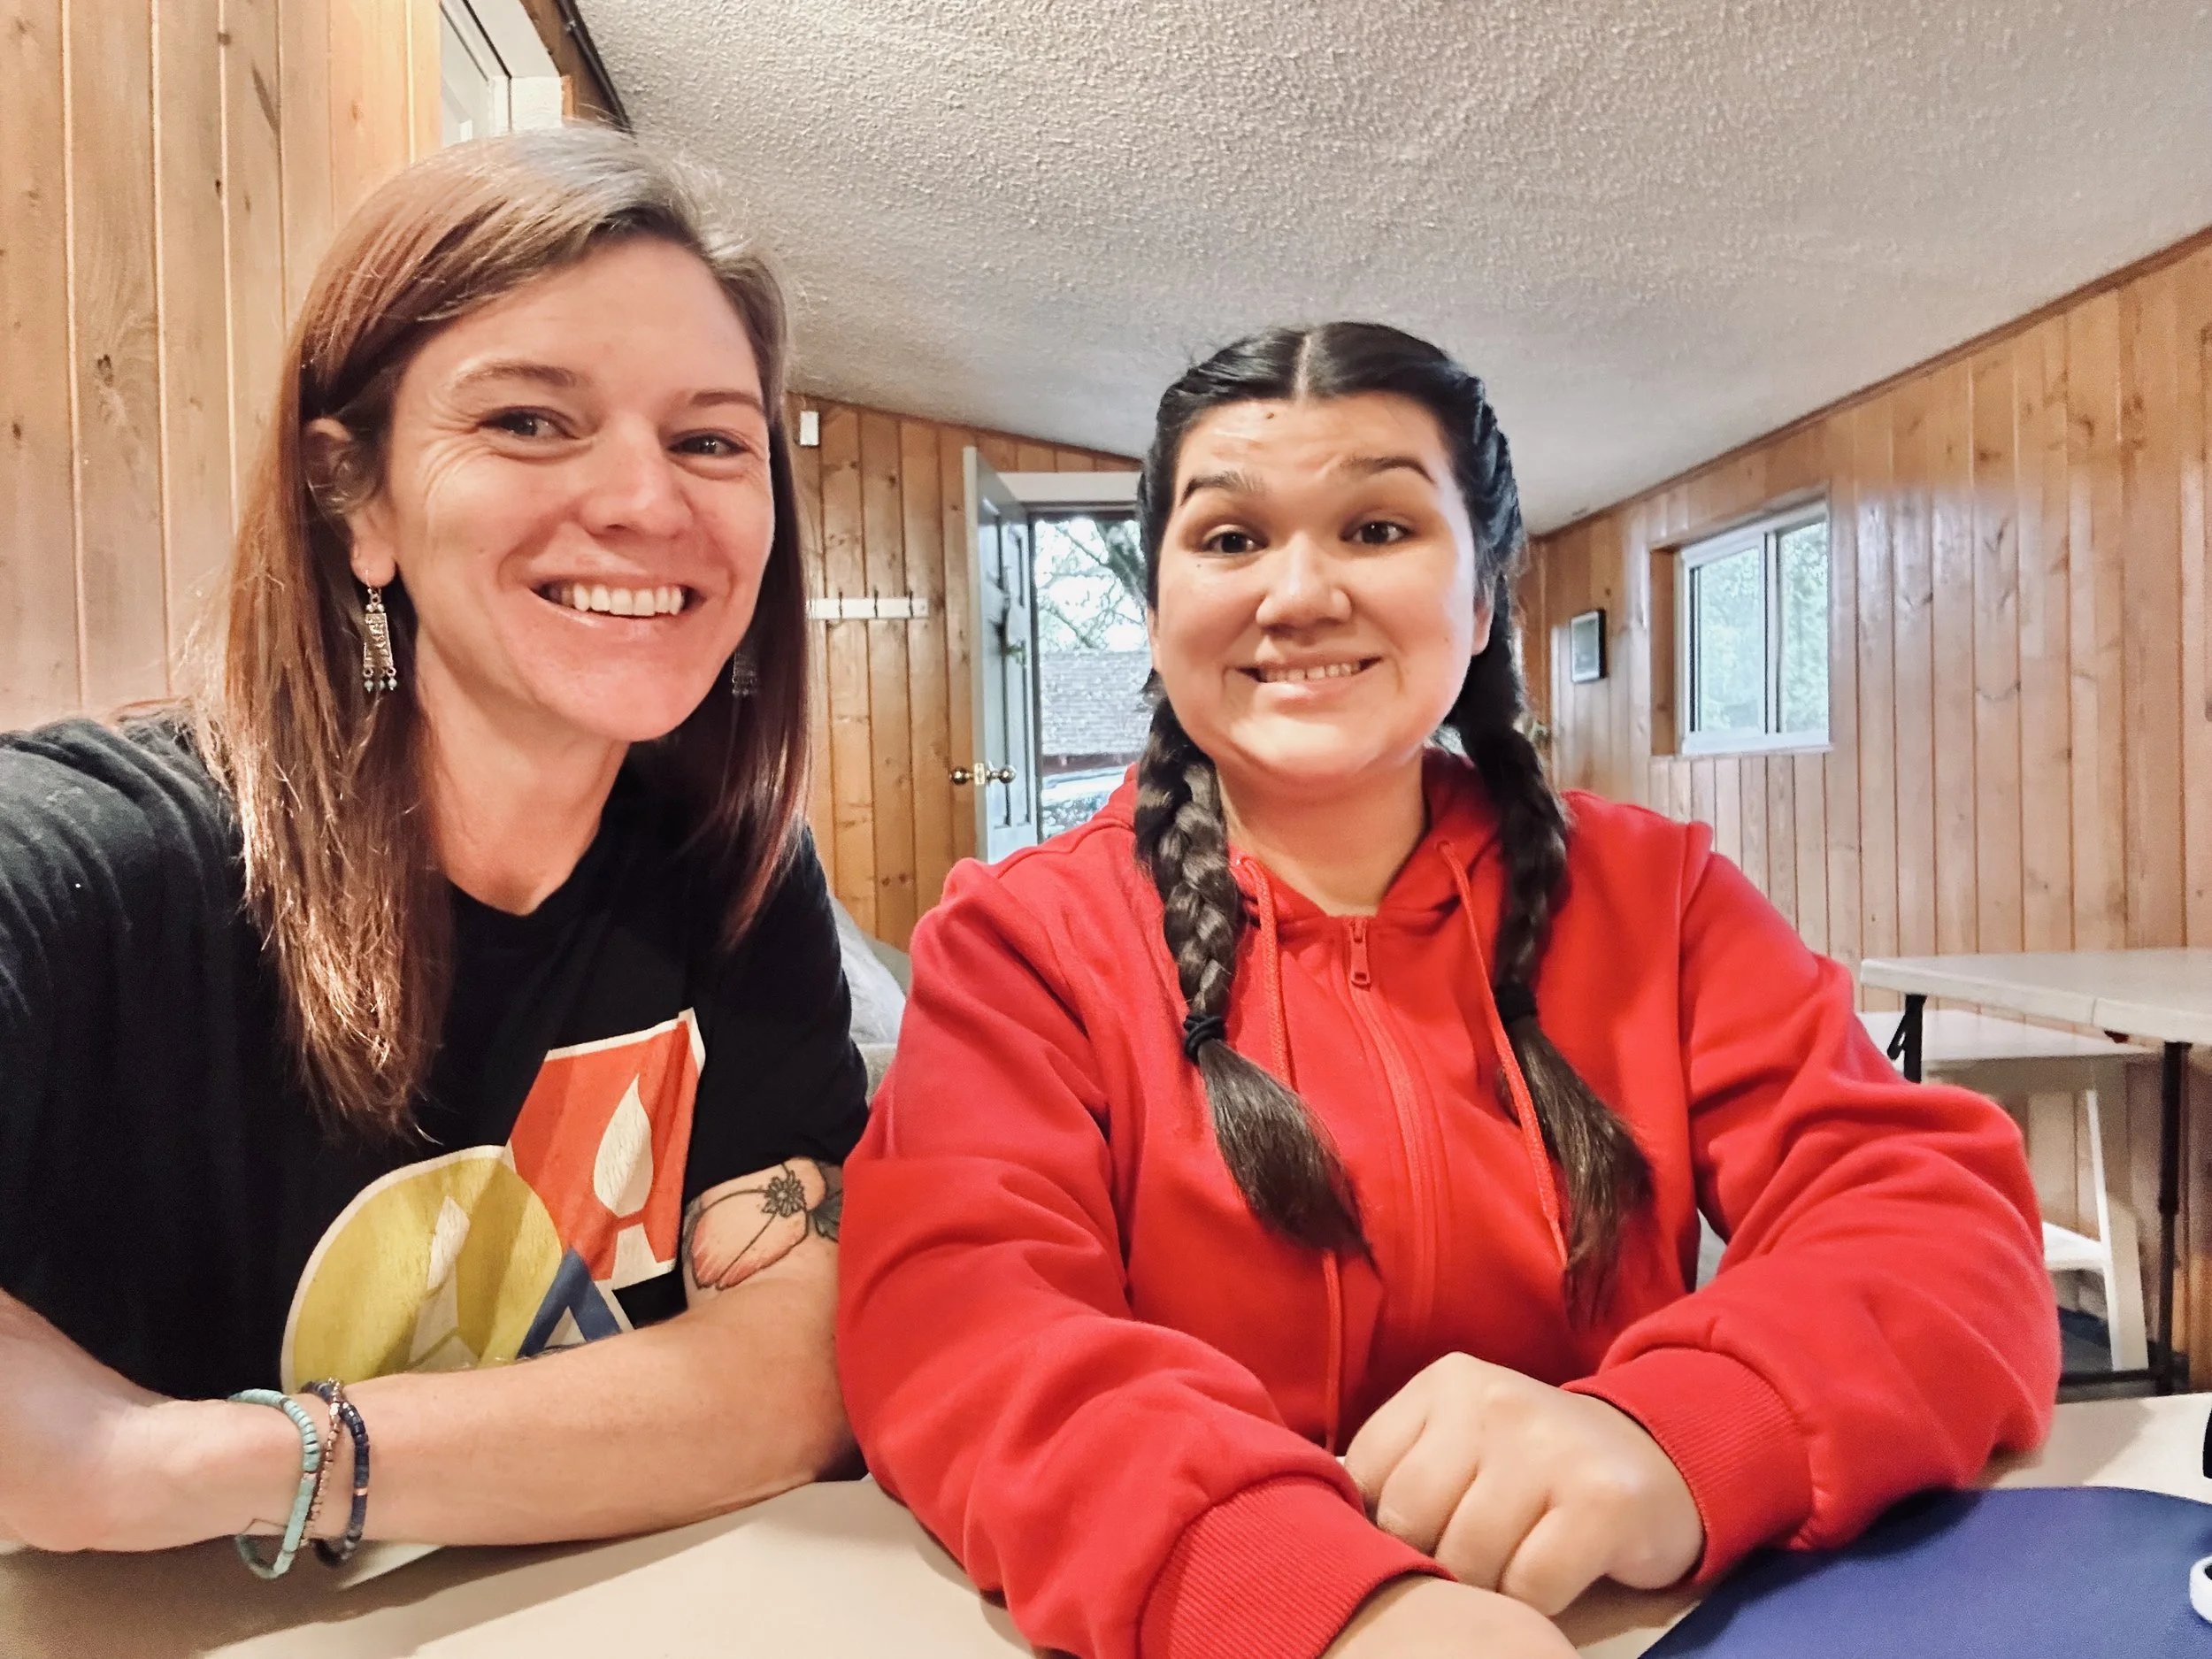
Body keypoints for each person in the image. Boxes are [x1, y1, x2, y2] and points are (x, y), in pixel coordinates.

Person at [836, 323, 2058, 1659]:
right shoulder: (1022, 944)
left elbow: (1940, 1234)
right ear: (1159, 609)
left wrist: (1670, 1439)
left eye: (1376, 528)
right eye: (1232, 538)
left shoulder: (1661, 898)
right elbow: (959, 1331)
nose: (1298, 593)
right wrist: (1306, 1594)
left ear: (1481, 602)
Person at [0, 127, 866, 1566]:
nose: (648, 502)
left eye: (711, 440)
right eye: (529, 420)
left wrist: (213, 1463)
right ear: (357, 497)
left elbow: (796, 1373)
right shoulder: (107, 853)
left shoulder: (735, 872)